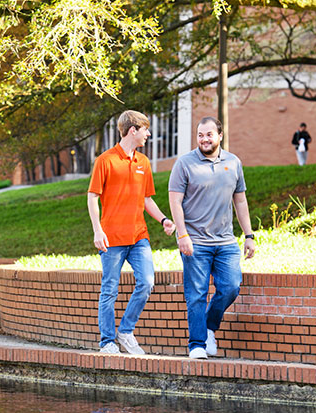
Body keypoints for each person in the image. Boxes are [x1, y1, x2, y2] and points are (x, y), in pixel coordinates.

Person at [88, 110, 176, 355]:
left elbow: (146, 198)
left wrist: (164, 220)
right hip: (111, 237)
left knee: (147, 282)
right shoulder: (105, 160)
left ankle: (125, 331)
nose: (148, 134)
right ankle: (107, 341)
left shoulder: (143, 162)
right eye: (145, 129)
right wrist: (97, 230)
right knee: (109, 290)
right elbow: (92, 196)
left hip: (139, 236)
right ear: (132, 130)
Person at [168, 117, 257, 359]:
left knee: (230, 287)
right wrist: (182, 233)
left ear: (220, 135)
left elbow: (240, 200)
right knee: (196, 293)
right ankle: (197, 344)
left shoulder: (233, 162)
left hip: (226, 241)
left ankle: (208, 327)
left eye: (209, 134)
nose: (204, 139)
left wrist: (248, 235)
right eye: (200, 135)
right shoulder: (184, 164)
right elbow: (175, 201)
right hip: (195, 242)